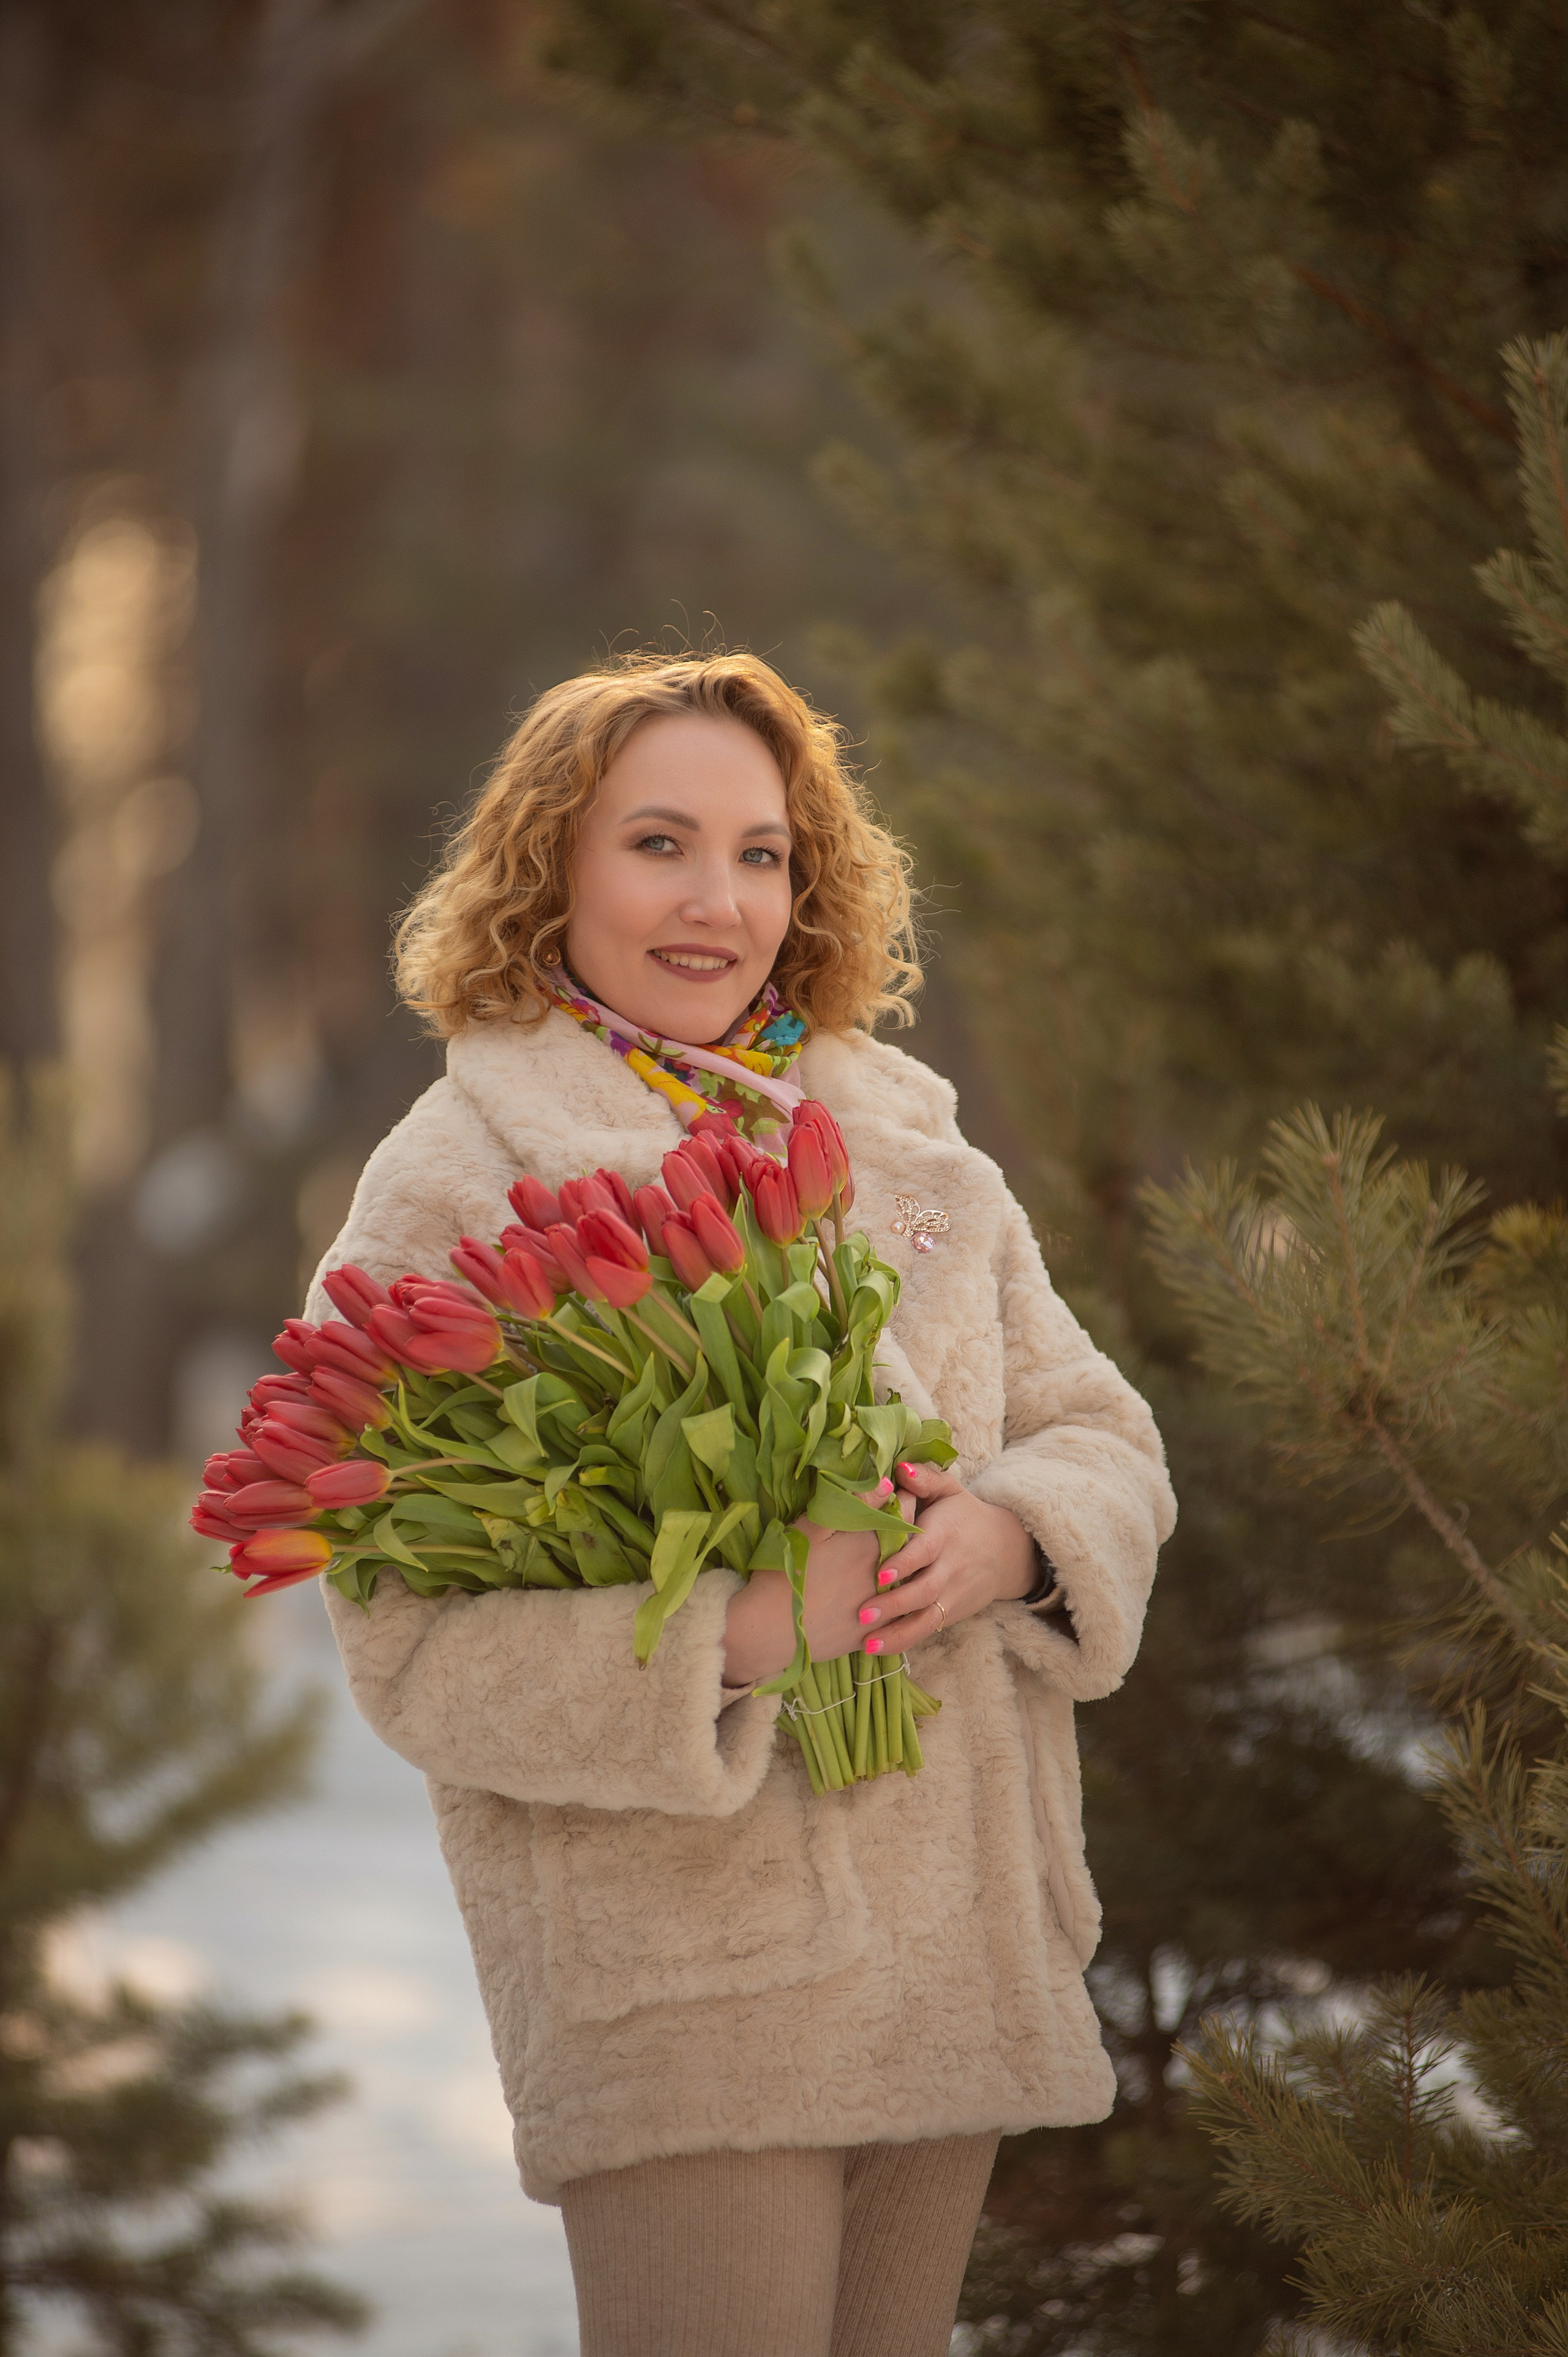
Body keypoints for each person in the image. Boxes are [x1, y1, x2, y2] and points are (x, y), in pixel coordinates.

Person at [309, 649, 1176, 2357]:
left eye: (762, 854)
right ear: (552, 864)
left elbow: (1104, 1432)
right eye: (659, 845)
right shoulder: (465, 1178)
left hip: (952, 1948)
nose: (719, 902)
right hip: (689, 1980)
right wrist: (745, 1631)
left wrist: (1010, 1533)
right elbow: (408, 1645)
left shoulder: (908, 1142)